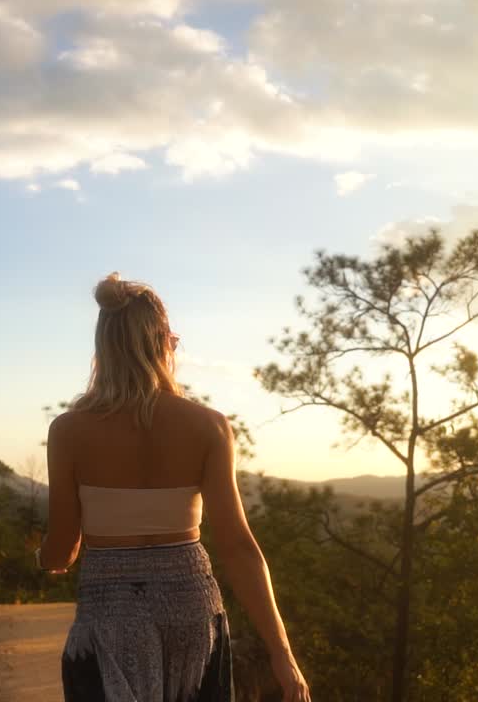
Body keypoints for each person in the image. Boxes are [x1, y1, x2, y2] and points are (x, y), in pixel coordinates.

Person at [36, 271, 311, 702]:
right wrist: (283, 654)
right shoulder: (209, 427)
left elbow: (62, 550)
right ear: (165, 341)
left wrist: (44, 557)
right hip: (192, 612)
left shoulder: (69, 431)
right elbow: (239, 548)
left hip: (110, 614)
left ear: (103, 348)